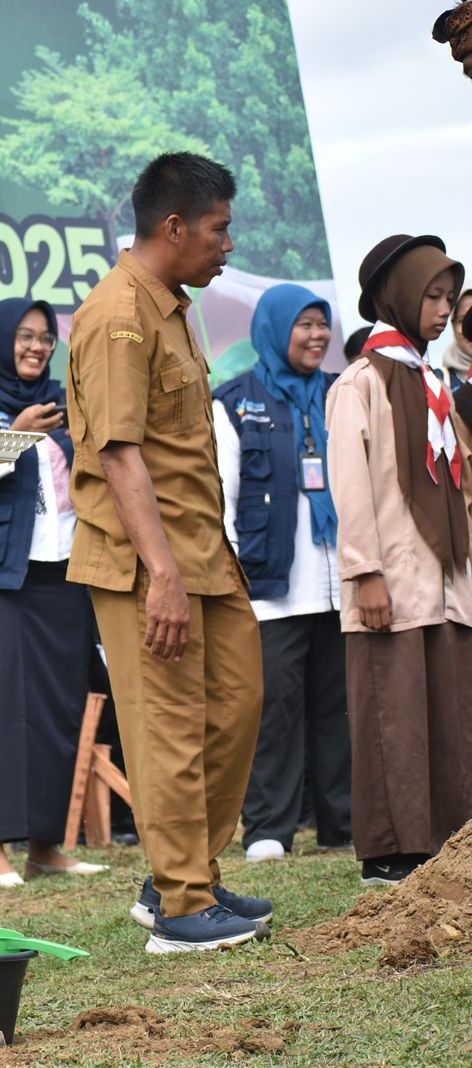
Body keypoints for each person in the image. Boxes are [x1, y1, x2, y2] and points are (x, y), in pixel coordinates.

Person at [65, 153, 270, 953]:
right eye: (219, 228)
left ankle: (182, 872)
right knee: (171, 725)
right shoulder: (117, 315)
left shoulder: (174, 306)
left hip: (202, 552)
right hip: (148, 562)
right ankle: (182, 909)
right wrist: (162, 577)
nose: (228, 243)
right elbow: (120, 456)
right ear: (175, 226)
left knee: (237, 705)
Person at [0, 299, 110, 887]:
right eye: (24, 336)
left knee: (60, 710)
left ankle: (47, 846)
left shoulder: (64, 408)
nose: (37, 347)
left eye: (44, 338)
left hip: (60, 575)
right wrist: (13, 437)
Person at [327, 235, 472, 886]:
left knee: (446, 711)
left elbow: (455, 486)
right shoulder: (361, 383)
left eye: (447, 298)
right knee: (394, 714)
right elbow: (351, 486)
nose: (443, 311)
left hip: (445, 582)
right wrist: (365, 574)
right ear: (399, 299)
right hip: (390, 581)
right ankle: (390, 851)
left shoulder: (435, 381)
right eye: (432, 297)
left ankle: (443, 841)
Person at [212, 285, 351, 863]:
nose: (317, 336)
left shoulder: (342, 396)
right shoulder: (235, 403)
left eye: (323, 325)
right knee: (273, 711)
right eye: (304, 326)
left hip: (338, 584)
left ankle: (343, 822)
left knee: (338, 707)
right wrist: (238, 580)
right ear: (274, 329)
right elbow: (223, 500)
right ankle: (270, 826)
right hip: (272, 592)